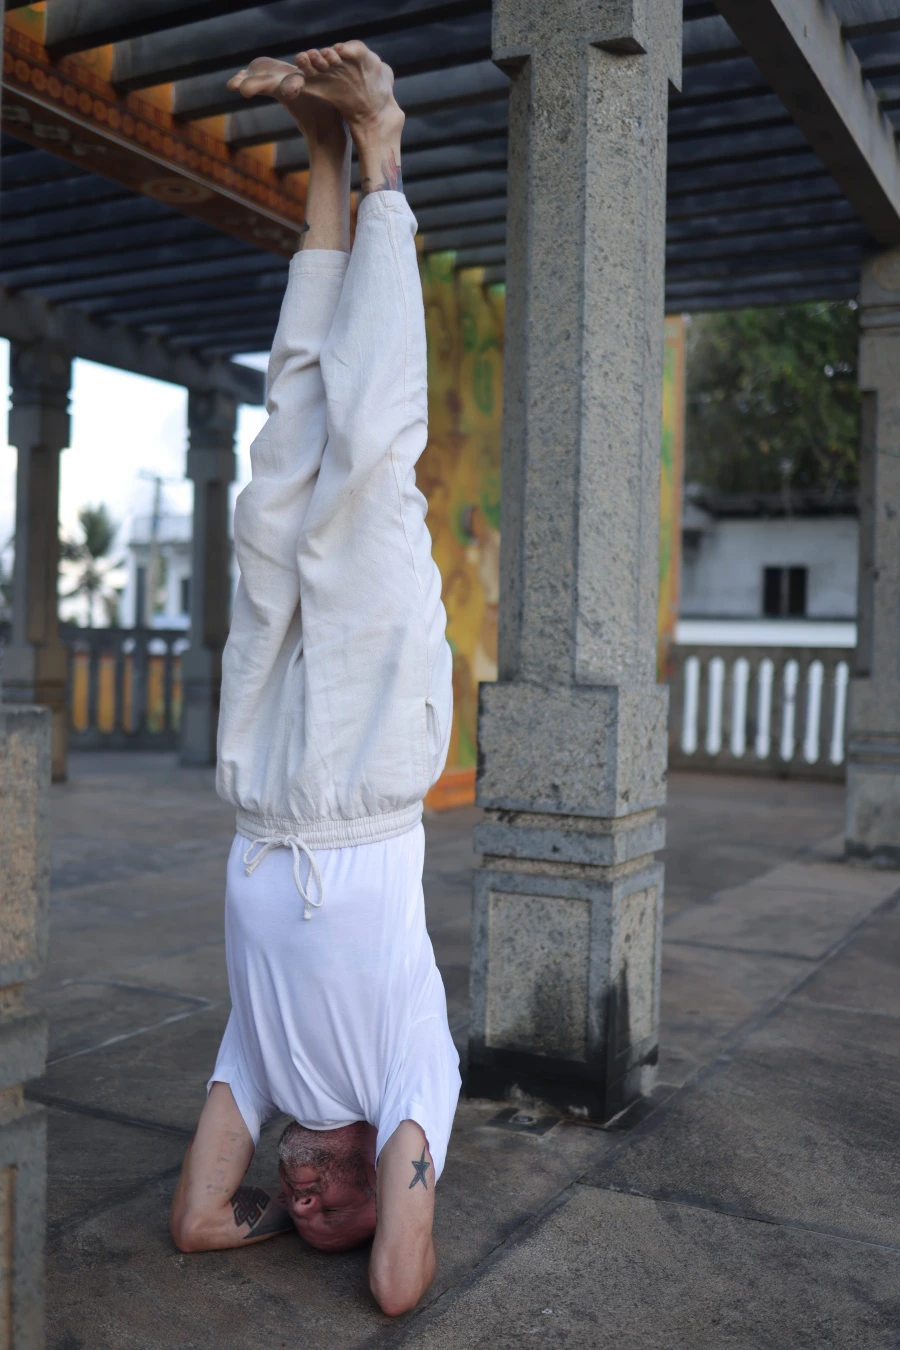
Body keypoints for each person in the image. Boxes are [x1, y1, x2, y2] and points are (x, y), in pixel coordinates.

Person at [168, 41, 460, 1318]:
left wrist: (237, 1224)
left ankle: (323, 167)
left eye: (303, 1221)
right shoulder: (414, 1078)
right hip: (375, 764)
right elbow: (397, 1289)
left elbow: (194, 1217)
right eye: (338, 1208)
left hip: (266, 781)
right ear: (382, 1173)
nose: (309, 1208)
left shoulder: (264, 1068)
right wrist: (387, 1212)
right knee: (365, 467)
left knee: (281, 465)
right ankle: (386, 147)